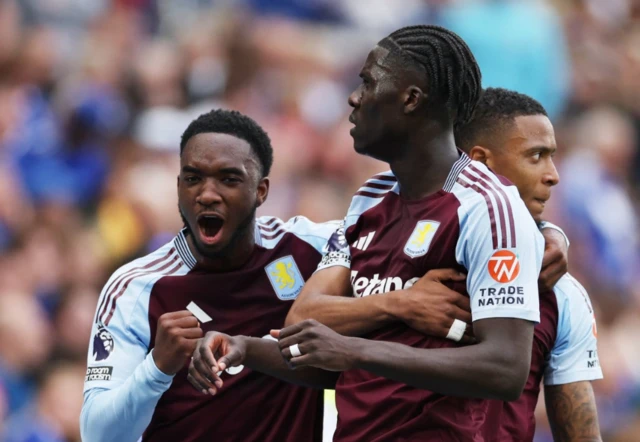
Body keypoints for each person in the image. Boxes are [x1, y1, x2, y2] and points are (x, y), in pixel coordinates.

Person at [190, 25, 545, 441]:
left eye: (369, 82)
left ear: (411, 99)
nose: (354, 98)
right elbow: (306, 323)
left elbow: (505, 368)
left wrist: (354, 348)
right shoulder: (369, 198)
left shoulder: (487, 207)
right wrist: (245, 348)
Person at [81, 109, 343, 442]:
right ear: (178, 188)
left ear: (261, 191)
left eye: (228, 179)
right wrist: (157, 368)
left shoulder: (310, 249)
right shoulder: (137, 287)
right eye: (193, 178)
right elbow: (97, 434)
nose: (207, 194)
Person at [454, 87, 603, 441]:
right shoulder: (396, 250)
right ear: (480, 161)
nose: (554, 175)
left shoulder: (561, 290)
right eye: (536, 156)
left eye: (552, 156)